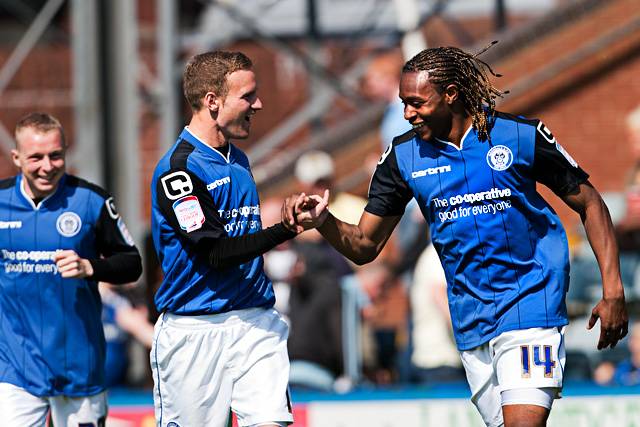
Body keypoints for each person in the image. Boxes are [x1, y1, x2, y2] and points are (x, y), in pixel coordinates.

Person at [288, 45, 628, 427]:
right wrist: (323, 221)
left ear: (450, 94)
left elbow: (592, 204)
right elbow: (365, 246)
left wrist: (613, 290)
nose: (407, 113)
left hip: (531, 305)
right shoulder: (402, 159)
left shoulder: (519, 137)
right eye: (403, 103)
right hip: (470, 320)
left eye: (417, 102)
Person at [150, 51, 303, 427]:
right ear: (213, 102)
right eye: (248, 96)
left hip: (255, 321)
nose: (259, 104)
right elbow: (215, 252)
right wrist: (284, 229)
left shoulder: (238, 158)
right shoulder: (179, 171)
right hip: (195, 331)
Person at [0, 112, 143, 426]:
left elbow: (132, 263)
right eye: (36, 157)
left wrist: (90, 267)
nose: (47, 166)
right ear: (16, 157)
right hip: (15, 367)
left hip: (79, 365)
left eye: (56, 156)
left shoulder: (90, 201)